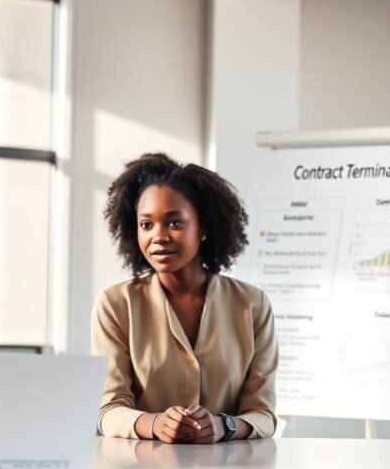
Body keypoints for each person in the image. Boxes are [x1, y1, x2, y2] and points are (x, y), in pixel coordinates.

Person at [93, 152, 277, 443]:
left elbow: (263, 415)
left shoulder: (252, 305)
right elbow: (108, 410)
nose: (159, 236)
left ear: (203, 227)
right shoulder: (116, 304)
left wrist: (223, 426)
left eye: (175, 223)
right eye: (146, 225)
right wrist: (154, 423)